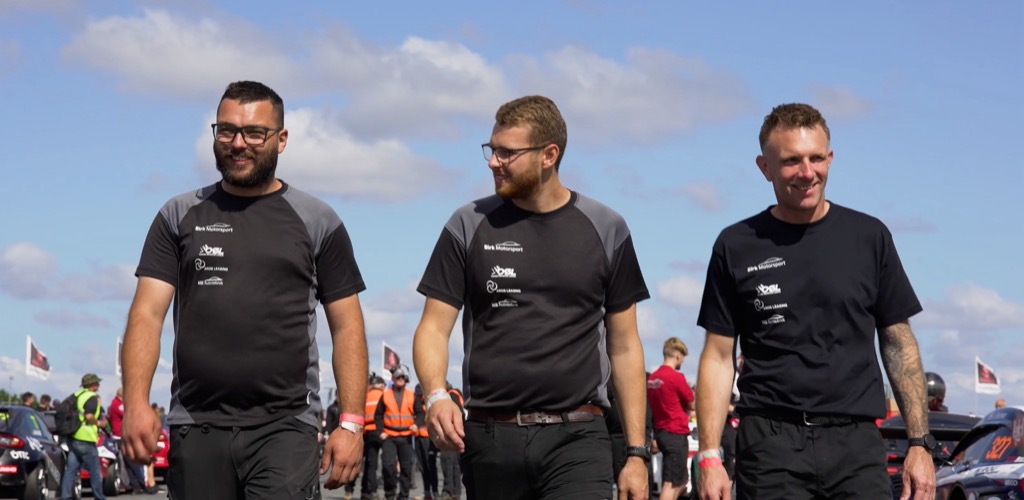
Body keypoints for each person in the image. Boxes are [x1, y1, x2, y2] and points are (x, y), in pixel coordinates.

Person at [119, 80, 369, 498]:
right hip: (196, 426)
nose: (238, 143)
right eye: (227, 131)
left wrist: (351, 423)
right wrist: (136, 403)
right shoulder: (178, 215)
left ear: (281, 139)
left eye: (255, 133)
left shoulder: (318, 220)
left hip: (285, 429)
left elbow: (347, 326)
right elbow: (146, 313)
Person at [412, 95, 651, 499]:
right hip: (491, 440)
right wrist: (436, 395)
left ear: (549, 155)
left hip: (578, 439)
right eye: (491, 150)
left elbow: (625, 346)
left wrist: (636, 453)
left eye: (507, 152)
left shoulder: (607, 227)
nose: (493, 162)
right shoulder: (467, 224)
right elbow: (433, 328)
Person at [695, 102, 934, 500]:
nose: (807, 172)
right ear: (765, 167)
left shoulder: (869, 237)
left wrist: (919, 443)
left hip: (856, 446)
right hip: (770, 448)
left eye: (816, 158)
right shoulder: (735, 245)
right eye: (791, 161)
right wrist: (708, 456)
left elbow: (898, 343)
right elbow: (719, 356)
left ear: (830, 158)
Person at [647, 337, 695, 500]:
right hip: (675, 433)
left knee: (681, 481)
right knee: (671, 484)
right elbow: (693, 403)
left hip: (661, 432)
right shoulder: (676, 377)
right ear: (677, 355)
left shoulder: (652, 378)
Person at [60, 374, 107, 500]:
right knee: (95, 471)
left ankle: (65, 496)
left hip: (73, 437)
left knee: (71, 470)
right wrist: (99, 423)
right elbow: (89, 416)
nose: (98, 385)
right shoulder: (91, 397)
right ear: (92, 385)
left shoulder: (78, 395)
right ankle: (99, 497)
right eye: (96, 383)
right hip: (86, 439)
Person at [375, 366, 417, 500]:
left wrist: (416, 424)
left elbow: (420, 413)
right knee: (388, 466)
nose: (401, 379)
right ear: (393, 379)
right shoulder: (386, 394)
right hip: (389, 436)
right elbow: (378, 415)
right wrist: (380, 431)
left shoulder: (411, 395)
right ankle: (389, 494)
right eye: (398, 377)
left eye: (403, 377)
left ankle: (403, 496)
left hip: (406, 437)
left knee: (406, 468)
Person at [108, 387, 154, 494]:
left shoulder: (114, 404)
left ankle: (136, 486)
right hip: (122, 436)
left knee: (129, 463)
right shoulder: (118, 405)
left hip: (120, 436)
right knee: (133, 462)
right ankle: (141, 484)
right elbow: (129, 415)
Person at [361, 373, 387, 500]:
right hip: (383, 432)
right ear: (382, 385)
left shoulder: (365, 396)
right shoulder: (385, 395)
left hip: (368, 433)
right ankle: (389, 492)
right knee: (388, 461)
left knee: (370, 464)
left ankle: (368, 491)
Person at [438, 382, 464, 500]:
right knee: (455, 465)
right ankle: (456, 492)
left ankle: (448, 491)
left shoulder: (451, 396)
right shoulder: (456, 394)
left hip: (450, 435)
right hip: (457, 435)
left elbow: (455, 414)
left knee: (448, 464)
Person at [413, 384, 439, 500]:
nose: (419, 397)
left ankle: (435, 491)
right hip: (418, 438)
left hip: (429, 439)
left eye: (421, 395)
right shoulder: (415, 405)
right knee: (422, 466)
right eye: (418, 395)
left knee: (430, 466)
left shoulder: (430, 405)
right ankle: (427, 491)